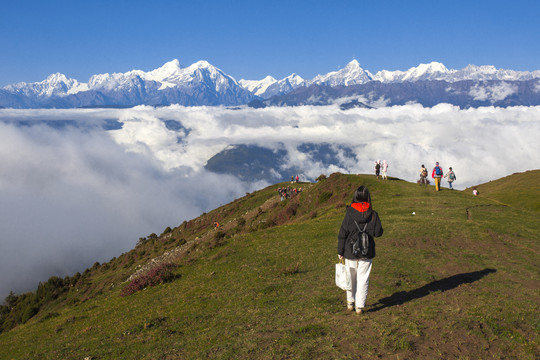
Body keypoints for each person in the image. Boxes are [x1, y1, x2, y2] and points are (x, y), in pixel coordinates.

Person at [337, 186, 383, 314]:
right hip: (367, 252)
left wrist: (340, 251)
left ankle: (350, 302)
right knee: (363, 279)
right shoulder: (373, 214)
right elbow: (378, 233)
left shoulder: (349, 213)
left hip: (349, 251)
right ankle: (359, 306)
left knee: (350, 277)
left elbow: (342, 233)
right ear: (368, 197)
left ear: (355, 197)